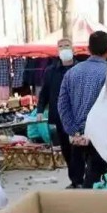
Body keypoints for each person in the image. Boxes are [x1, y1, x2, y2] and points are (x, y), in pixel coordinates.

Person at [58, 31, 107, 188]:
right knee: (96, 179)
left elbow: (62, 105)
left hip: (77, 135)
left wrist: (73, 131)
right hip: (100, 136)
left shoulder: (71, 72)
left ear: (88, 49)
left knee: (79, 177)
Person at [38, 38, 83, 188]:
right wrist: (39, 111)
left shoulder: (80, 68)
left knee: (79, 148)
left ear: (73, 49)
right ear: (57, 50)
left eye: (67, 46)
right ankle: (75, 179)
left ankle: (82, 178)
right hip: (59, 116)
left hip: (78, 116)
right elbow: (44, 93)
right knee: (66, 148)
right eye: (61, 46)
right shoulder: (51, 71)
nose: (64, 49)